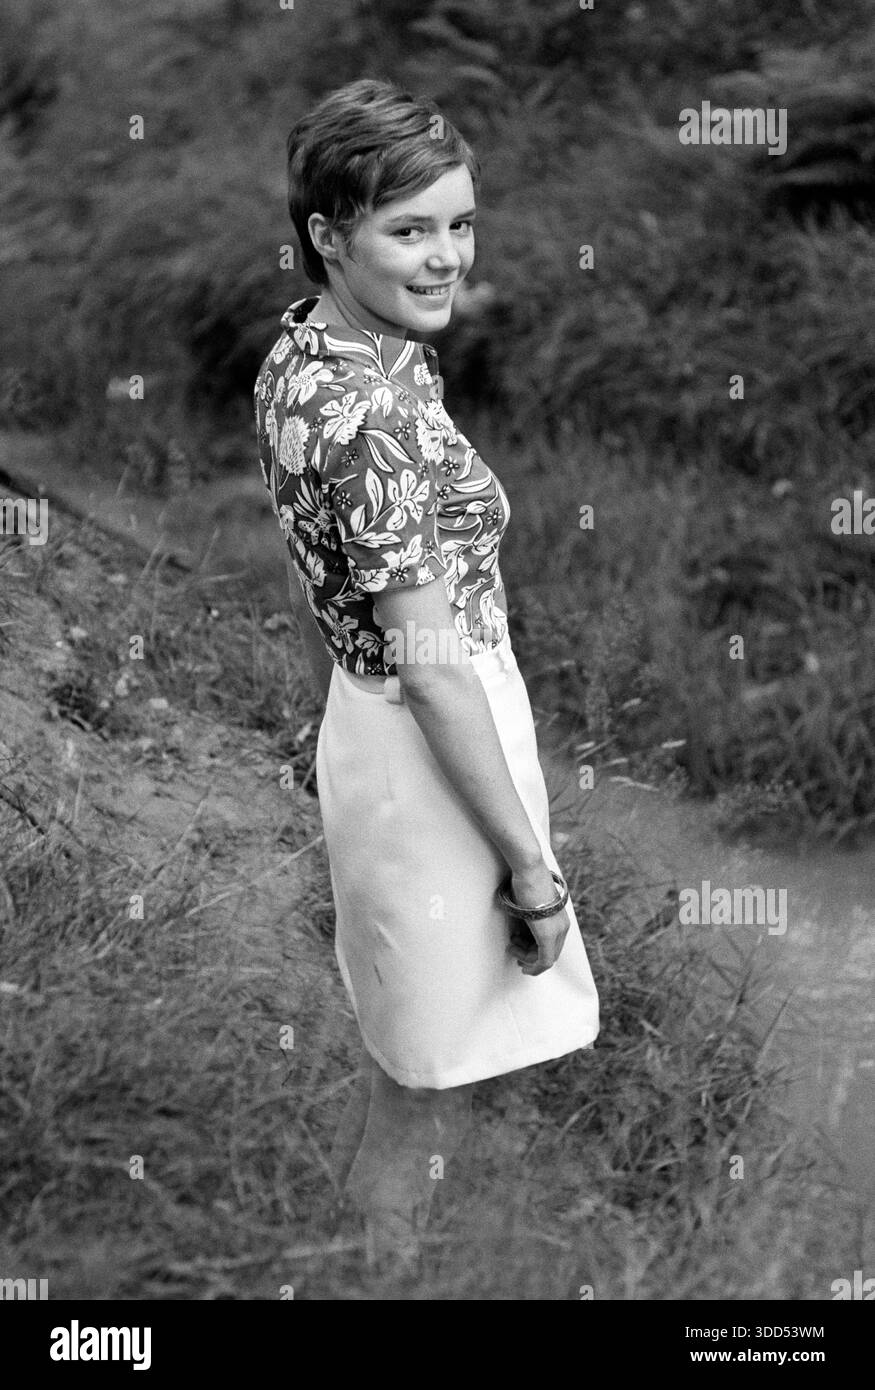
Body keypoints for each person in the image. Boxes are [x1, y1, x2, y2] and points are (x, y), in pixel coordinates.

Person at [254, 77, 599, 1269]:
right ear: (327, 235)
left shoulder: (312, 354)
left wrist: (338, 713)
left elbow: (313, 575)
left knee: (419, 1047)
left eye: (459, 223)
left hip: (373, 723)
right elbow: (436, 670)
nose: (446, 255)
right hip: (431, 734)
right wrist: (532, 871)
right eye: (408, 230)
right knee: (426, 1075)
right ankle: (386, 1275)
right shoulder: (375, 416)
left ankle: (414, 1259)